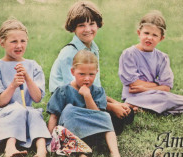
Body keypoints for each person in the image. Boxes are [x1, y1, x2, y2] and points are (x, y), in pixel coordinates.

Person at [48, 1, 134, 135]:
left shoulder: (93, 49)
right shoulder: (69, 53)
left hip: (86, 96)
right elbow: (75, 91)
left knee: (127, 113)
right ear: (73, 28)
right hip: (68, 103)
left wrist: (115, 103)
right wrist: (111, 107)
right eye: (82, 25)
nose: (88, 29)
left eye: (92, 24)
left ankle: (98, 122)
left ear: (98, 24)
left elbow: (93, 89)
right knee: (115, 121)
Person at [0, 19, 51, 157]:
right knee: (17, 109)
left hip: (26, 110)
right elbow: (1, 102)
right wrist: (13, 85)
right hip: (4, 112)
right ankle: (10, 147)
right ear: (2, 43)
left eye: (23, 41)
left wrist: (28, 78)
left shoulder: (33, 66)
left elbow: (37, 98)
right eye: (13, 41)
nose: (19, 45)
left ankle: (41, 150)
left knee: (33, 113)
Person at [47, 50, 124, 157]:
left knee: (106, 116)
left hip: (93, 133)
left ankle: (115, 152)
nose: (87, 78)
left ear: (96, 72)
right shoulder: (63, 91)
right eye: (81, 74)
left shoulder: (98, 91)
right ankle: (79, 152)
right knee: (69, 110)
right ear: (73, 72)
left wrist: (88, 96)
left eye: (91, 74)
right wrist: (49, 140)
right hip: (69, 134)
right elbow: (54, 117)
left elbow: (97, 115)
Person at [118, 11, 183, 115]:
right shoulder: (129, 54)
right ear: (139, 33)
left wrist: (146, 88)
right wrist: (157, 85)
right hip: (135, 96)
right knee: (163, 98)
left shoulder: (162, 58)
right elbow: (134, 84)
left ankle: (144, 109)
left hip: (154, 95)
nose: (149, 38)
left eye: (155, 35)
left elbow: (166, 87)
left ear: (161, 38)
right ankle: (137, 105)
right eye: (146, 33)